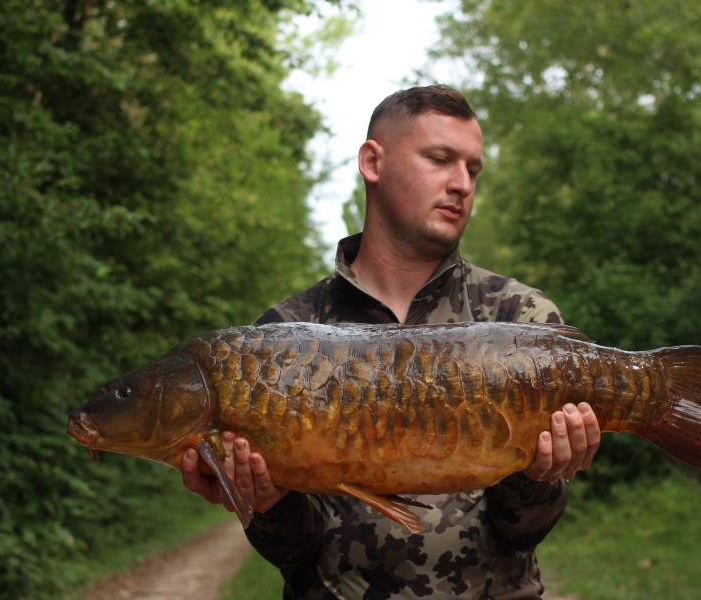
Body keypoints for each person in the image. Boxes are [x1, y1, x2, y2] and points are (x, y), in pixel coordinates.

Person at [182, 85, 601, 599]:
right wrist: (268, 501)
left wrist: (540, 475)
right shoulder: (279, 337)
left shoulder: (520, 317)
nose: (462, 184)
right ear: (372, 162)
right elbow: (294, 554)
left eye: (473, 169)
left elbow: (523, 532)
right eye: (441, 159)